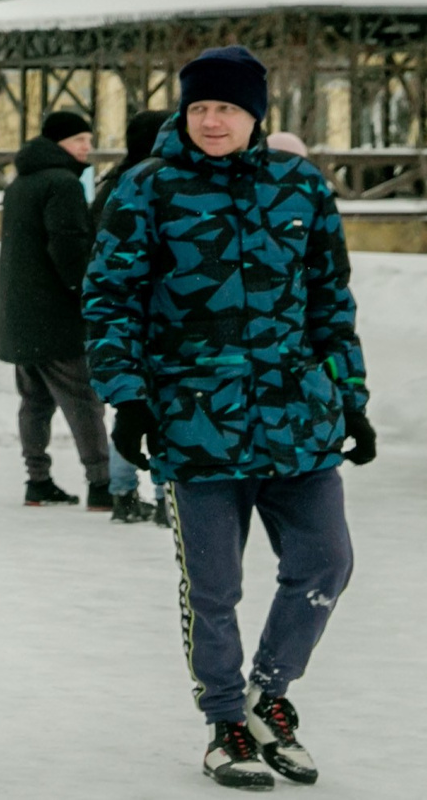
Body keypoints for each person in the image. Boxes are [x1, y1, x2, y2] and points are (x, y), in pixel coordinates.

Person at [86, 45, 373, 790]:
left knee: (326, 561)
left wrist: (353, 397)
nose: (213, 119)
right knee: (213, 587)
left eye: (228, 107)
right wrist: (130, 398)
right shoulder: (149, 188)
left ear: (256, 114)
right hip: (194, 422)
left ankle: (266, 695)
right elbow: (109, 302)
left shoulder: (300, 186)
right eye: (201, 106)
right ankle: (223, 722)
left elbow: (329, 303)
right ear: (185, 112)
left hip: (297, 419)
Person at [0, 107, 112, 510]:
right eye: (81, 141)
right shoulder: (62, 183)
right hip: (57, 314)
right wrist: (86, 290)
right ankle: (103, 485)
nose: (87, 149)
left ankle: (38, 480)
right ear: (59, 143)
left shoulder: (20, 183)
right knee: (84, 399)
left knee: (35, 401)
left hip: (21, 313)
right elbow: (69, 247)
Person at [95, 108, 171, 525]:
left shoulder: (113, 183)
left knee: (129, 406)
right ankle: (163, 495)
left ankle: (123, 491)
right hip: (154, 314)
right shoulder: (158, 185)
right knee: (160, 408)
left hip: (123, 317)